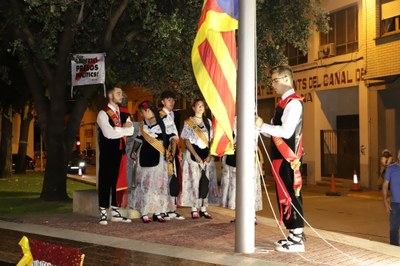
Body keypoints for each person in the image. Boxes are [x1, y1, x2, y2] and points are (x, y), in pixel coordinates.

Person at [255, 65, 305, 252]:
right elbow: (276, 132)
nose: (272, 85)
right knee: (285, 197)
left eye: (275, 81)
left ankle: (297, 239)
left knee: (291, 196)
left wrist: (263, 126)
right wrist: (262, 127)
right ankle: (292, 235)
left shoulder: (293, 103)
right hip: (280, 158)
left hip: (288, 158)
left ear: (286, 79)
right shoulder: (283, 103)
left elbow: (286, 132)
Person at [130, 100, 176, 223]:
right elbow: (139, 139)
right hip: (144, 155)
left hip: (160, 156)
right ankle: (144, 212)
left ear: (148, 110)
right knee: (145, 184)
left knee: (159, 185)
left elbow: (173, 138)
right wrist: (134, 151)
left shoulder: (165, 120)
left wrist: (172, 153)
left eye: (142, 112)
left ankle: (158, 212)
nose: (142, 114)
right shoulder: (143, 124)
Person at [96, 85, 134, 225]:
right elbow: (108, 134)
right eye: (118, 94)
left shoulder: (124, 112)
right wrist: (123, 129)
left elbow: (131, 132)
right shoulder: (103, 113)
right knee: (105, 181)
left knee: (118, 182)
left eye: (121, 94)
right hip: (107, 153)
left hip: (121, 152)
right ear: (110, 96)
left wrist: (118, 129)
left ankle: (115, 210)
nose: (121, 96)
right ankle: (103, 211)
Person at [179, 99, 219, 219]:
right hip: (193, 155)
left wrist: (209, 155)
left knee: (205, 182)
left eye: (202, 106)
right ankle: (194, 208)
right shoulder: (188, 122)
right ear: (193, 107)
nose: (201, 107)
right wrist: (195, 155)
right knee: (194, 182)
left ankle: (203, 208)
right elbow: (186, 140)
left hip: (206, 155)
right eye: (198, 105)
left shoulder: (208, 122)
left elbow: (212, 140)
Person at [220, 117, 263, 220]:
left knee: (249, 187)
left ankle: (252, 215)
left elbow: (257, 133)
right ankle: (238, 215)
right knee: (235, 188)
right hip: (234, 159)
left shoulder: (254, 119)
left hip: (248, 160)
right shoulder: (232, 119)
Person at [159, 90, 184, 220]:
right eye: (169, 99)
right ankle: (163, 209)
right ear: (162, 101)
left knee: (172, 178)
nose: (172, 102)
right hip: (165, 151)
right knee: (164, 180)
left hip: (173, 150)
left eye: (173, 100)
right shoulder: (160, 115)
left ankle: (171, 208)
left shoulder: (173, 115)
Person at [383, 149, 400, 246]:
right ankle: (393, 250)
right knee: (393, 229)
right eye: (399, 153)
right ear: (397, 155)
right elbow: (385, 184)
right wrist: (385, 201)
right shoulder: (391, 168)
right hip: (395, 204)